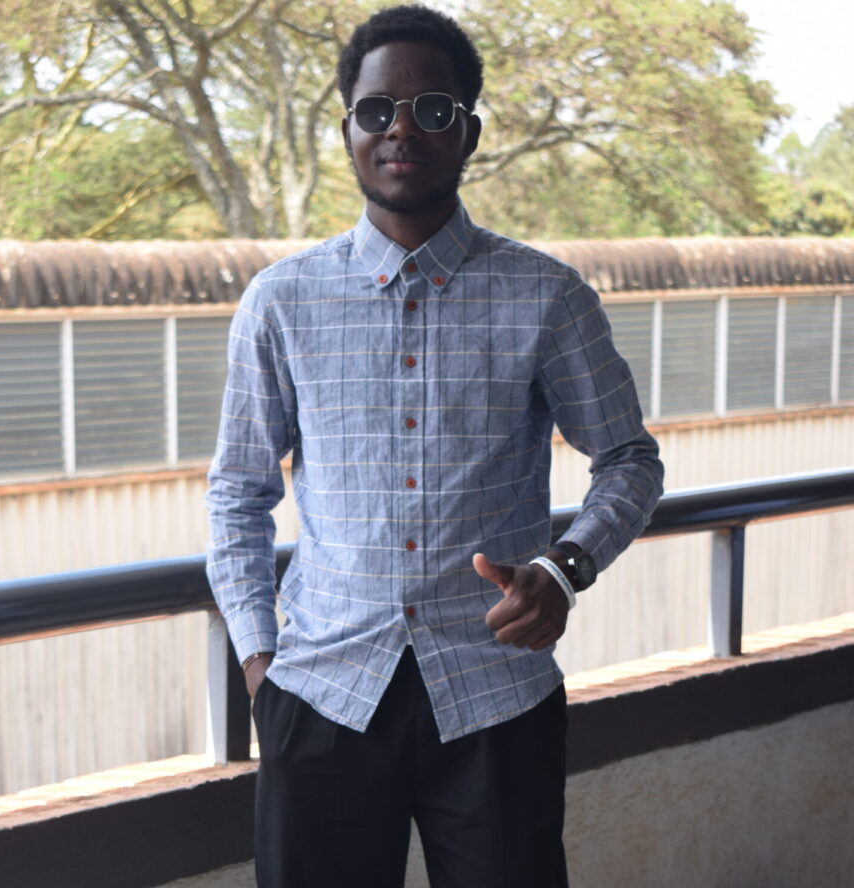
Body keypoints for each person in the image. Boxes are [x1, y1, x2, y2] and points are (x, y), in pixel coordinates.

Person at [205, 5, 664, 886]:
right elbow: (238, 493)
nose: (401, 128)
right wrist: (260, 664)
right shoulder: (281, 300)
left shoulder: (547, 296)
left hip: (497, 696)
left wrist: (565, 568)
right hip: (322, 694)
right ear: (349, 129)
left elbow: (629, 461)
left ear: (469, 133)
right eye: (377, 110)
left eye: (433, 109)